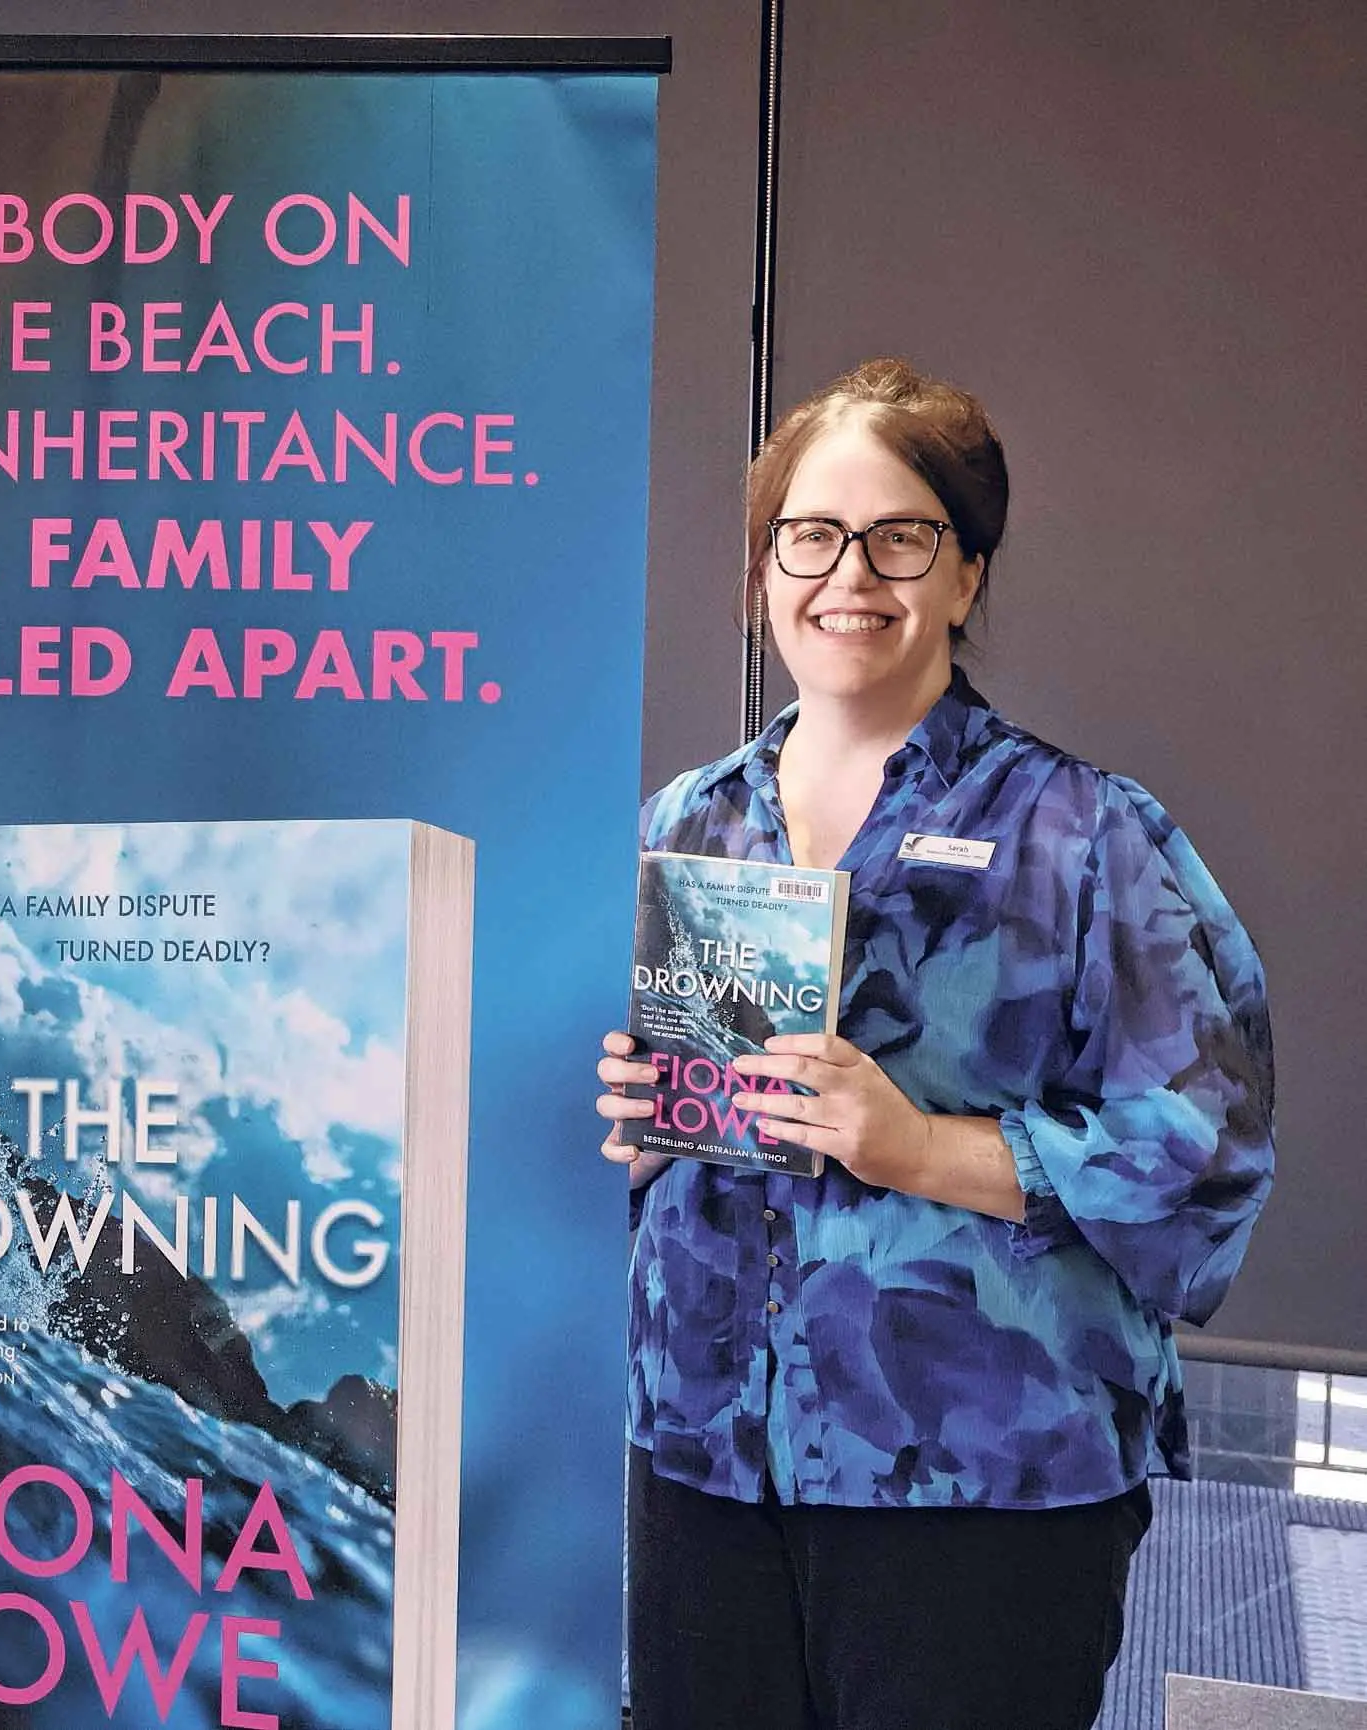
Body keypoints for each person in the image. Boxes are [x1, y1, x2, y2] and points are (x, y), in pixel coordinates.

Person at [596, 359, 1273, 1730]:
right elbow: (617, 1151)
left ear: (962, 576)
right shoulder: (684, 823)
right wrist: (621, 1132)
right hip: (700, 1468)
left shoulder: (1083, 833)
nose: (847, 572)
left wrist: (916, 1146)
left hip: (976, 1486)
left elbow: (1206, 1157)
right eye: (807, 533)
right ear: (763, 564)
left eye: (898, 535)